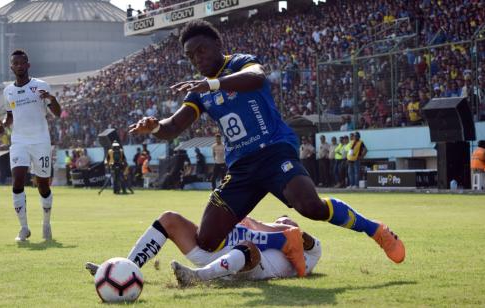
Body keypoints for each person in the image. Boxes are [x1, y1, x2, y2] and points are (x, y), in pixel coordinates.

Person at [128, 20, 404, 265]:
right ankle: (283, 238)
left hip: (273, 150)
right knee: (207, 241)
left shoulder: (239, 63)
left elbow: (256, 77)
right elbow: (174, 126)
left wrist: (212, 85)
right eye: (190, 56)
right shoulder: (200, 92)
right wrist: (154, 127)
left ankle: (375, 230)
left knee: (311, 207)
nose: (197, 59)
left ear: (217, 43)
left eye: (200, 50)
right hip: (241, 168)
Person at [85, 212, 322, 285]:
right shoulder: (253, 223)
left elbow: (307, 241)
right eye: (280, 219)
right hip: (215, 247)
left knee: (247, 247)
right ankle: (126, 270)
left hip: (249, 264)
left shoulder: (308, 253)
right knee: (170, 219)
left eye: (286, 220)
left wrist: (288, 231)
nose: (283, 221)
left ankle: (196, 277)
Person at [0, 49, 61, 242]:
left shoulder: (40, 86)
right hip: (19, 141)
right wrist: (2, 125)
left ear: (28, 65)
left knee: (43, 185)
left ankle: (46, 224)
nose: (19, 66)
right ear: (11, 67)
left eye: (22, 63)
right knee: (17, 180)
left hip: (40, 141)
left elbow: (57, 113)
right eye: (15, 64)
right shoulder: (8, 91)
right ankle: (24, 228)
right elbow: (9, 117)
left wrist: (51, 99)